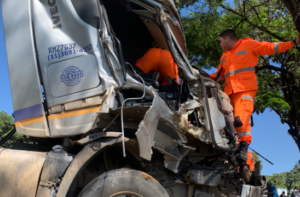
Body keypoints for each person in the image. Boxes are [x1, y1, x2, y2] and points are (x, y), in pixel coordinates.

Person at [210, 29, 300, 161]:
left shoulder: (248, 44)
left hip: (245, 89)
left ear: (227, 38)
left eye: (220, 41)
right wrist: (204, 76)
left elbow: (270, 47)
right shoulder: (224, 56)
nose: (220, 44)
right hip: (229, 93)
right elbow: (218, 74)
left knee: (240, 120)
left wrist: (293, 42)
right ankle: (231, 148)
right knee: (226, 123)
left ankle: (243, 146)